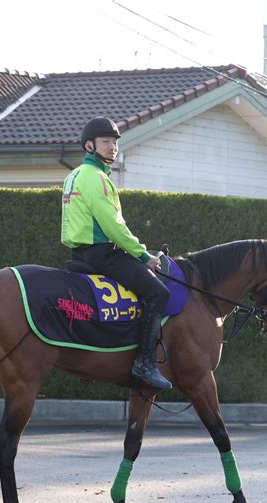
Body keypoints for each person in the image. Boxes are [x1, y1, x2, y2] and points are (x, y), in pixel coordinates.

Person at [61, 116, 172, 390]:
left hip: (80, 254)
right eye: (106, 142)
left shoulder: (72, 175)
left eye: (114, 142)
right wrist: (144, 256)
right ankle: (144, 363)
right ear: (89, 146)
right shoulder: (95, 177)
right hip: (103, 254)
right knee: (160, 293)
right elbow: (113, 225)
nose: (112, 147)